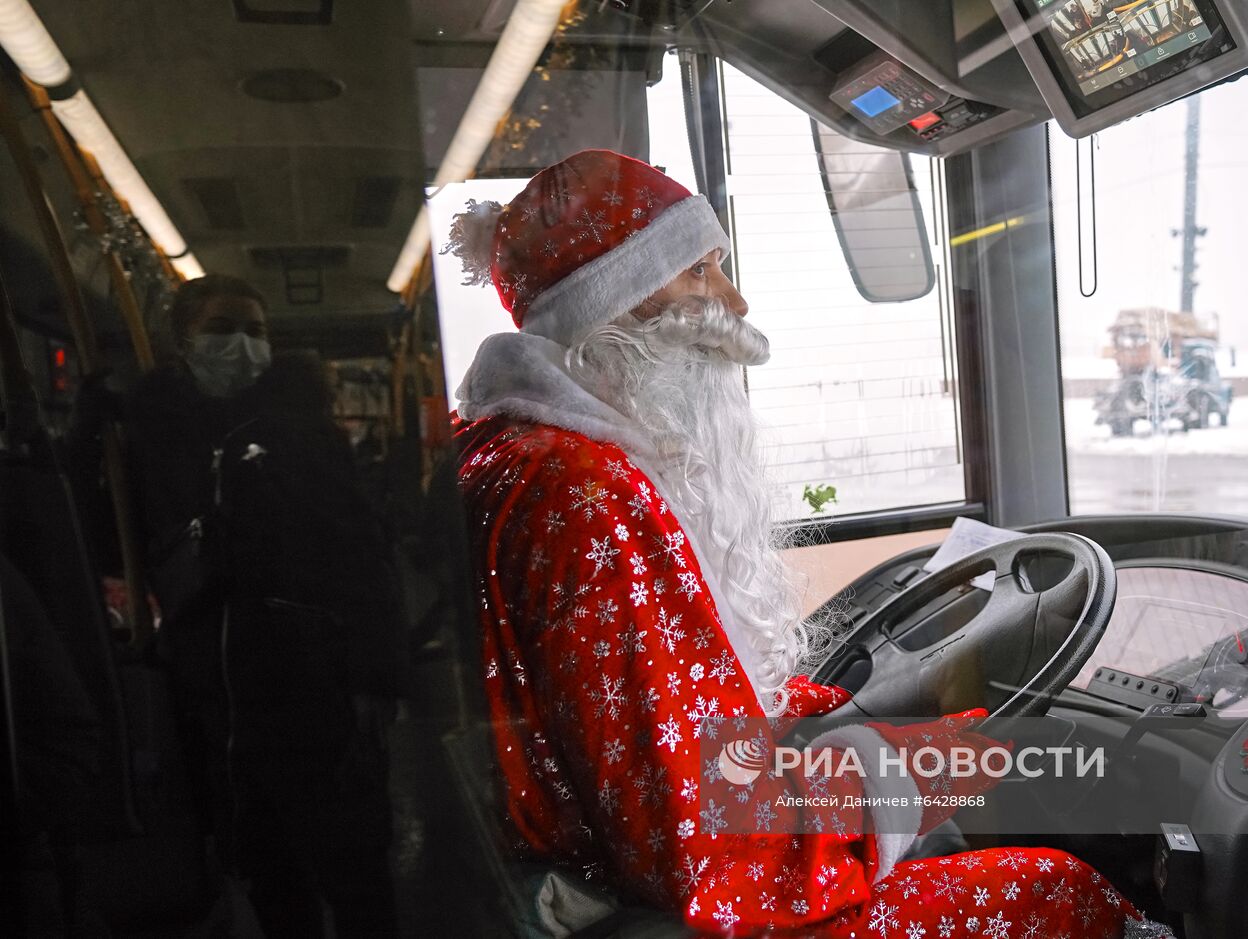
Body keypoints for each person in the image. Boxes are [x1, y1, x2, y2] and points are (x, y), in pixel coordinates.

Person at [447, 150, 1172, 937]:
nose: (734, 299)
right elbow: (712, 849)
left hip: (598, 877)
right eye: (700, 271)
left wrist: (846, 720)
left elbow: (654, 720)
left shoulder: (509, 451)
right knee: (1055, 887)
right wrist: (940, 761)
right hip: (664, 904)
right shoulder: (587, 495)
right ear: (615, 300)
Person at [71, 274, 405, 937]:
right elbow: (111, 538)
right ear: (182, 340)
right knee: (272, 877)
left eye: (256, 330)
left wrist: (374, 675)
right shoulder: (154, 438)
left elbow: (361, 556)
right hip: (217, 694)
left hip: (315, 684)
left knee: (357, 874)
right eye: (224, 328)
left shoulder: (304, 433)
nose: (244, 344)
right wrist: (92, 434)